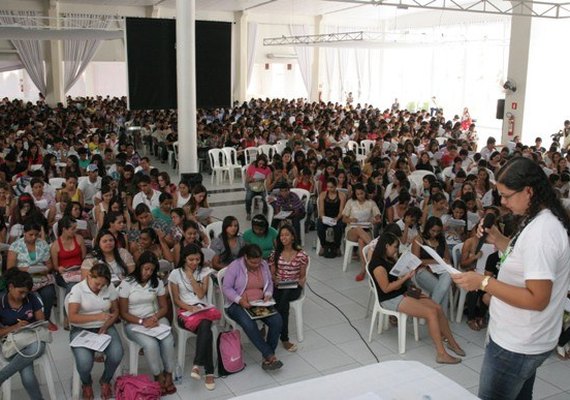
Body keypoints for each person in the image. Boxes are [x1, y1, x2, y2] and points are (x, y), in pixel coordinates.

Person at [452, 157, 570, 400]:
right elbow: (525, 261)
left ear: (529, 191)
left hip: (518, 344)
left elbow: (538, 298)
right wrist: (499, 240)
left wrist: (483, 283)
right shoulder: (537, 218)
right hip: (522, 337)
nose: (502, 203)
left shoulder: (542, 232)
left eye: (506, 195)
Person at [368, 232, 465, 364]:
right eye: (395, 247)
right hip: (390, 298)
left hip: (402, 291)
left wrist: (405, 274)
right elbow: (386, 289)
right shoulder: (377, 265)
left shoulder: (389, 258)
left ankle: (452, 343)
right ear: (386, 246)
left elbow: (396, 278)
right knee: (430, 313)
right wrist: (406, 277)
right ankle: (441, 353)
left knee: (437, 308)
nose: (396, 250)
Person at [118, 251, 177, 395]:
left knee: (168, 340)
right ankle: (158, 375)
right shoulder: (127, 283)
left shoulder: (156, 282)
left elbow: (164, 307)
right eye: (146, 269)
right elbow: (123, 313)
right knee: (150, 344)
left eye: (151, 270)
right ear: (139, 267)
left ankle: (168, 374)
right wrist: (141, 321)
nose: (148, 272)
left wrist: (155, 317)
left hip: (155, 318)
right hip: (134, 322)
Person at [221, 244, 283, 371]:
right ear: (245, 258)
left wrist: (267, 294)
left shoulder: (264, 264)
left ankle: (267, 357)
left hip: (259, 302)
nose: (257, 265)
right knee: (249, 324)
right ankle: (269, 355)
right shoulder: (235, 266)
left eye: (259, 261)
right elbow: (226, 288)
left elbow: (269, 283)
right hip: (237, 304)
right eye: (253, 262)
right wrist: (239, 300)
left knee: (277, 320)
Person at [66, 263, 123, 400]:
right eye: (97, 283)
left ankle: (105, 380)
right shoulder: (78, 289)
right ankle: (86, 383)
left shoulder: (108, 287)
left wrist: (106, 324)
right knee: (85, 362)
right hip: (81, 329)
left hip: (105, 327)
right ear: (89, 276)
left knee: (117, 354)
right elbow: (72, 317)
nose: (100, 287)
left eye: (103, 285)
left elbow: (115, 311)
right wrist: (97, 316)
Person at [168, 245, 216, 391]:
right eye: (191, 259)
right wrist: (190, 308)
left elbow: (201, 295)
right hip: (185, 312)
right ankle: (208, 372)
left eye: (197, 259)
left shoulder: (204, 272)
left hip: (203, 309)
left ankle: (197, 364)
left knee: (205, 325)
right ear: (184, 259)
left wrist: (191, 277)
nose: (194, 262)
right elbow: (176, 300)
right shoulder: (175, 274)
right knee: (206, 328)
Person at [0, 269, 48, 400]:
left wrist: (38, 322)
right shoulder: (1, 301)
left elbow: (41, 321)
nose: (23, 296)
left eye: (26, 292)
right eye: (21, 292)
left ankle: (2, 376)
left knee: (35, 348)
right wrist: (15, 327)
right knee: (27, 375)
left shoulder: (31, 297)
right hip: (13, 341)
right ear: (10, 287)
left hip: (33, 337)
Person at [7, 221, 57, 331]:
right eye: (31, 234)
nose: (34, 237)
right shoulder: (15, 246)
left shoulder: (42, 244)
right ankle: (30, 319)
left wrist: (45, 269)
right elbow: (10, 268)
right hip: (22, 279)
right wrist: (25, 269)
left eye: (36, 235)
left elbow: (49, 264)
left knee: (49, 293)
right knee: (26, 293)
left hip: (41, 277)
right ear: (24, 233)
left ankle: (45, 319)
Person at [269, 225, 308, 352]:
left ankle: (282, 335)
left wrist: (298, 283)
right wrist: (277, 280)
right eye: (281, 235)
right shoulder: (275, 254)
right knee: (282, 299)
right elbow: (273, 275)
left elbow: (302, 277)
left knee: (284, 296)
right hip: (279, 285)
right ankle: (283, 337)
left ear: (292, 237)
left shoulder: (301, 255)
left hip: (294, 286)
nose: (283, 237)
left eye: (286, 235)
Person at [411, 216, 453, 314]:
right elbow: (416, 262)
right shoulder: (419, 239)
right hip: (422, 271)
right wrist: (435, 262)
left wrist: (444, 262)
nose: (435, 234)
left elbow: (448, 259)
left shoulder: (441, 239)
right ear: (427, 228)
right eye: (433, 231)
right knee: (444, 289)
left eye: (438, 231)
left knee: (446, 279)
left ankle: (431, 313)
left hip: (439, 271)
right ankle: (441, 319)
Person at [342, 183, 381, 281]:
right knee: (359, 229)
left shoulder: (371, 202)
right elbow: (344, 219)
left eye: (362, 193)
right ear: (355, 194)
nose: (360, 196)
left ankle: (363, 270)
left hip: (366, 229)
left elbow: (378, 217)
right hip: (352, 230)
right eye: (358, 194)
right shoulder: (350, 202)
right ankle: (377, 250)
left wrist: (375, 220)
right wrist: (351, 220)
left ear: (365, 193)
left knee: (361, 240)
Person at [317, 177, 346, 256]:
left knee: (339, 227)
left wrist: (336, 219)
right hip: (326, 217)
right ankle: (323, 245)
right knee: (319, 226)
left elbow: (341, 211)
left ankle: (337, 247)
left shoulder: (341, 195)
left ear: (336, 186)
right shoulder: (323, 195)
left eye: (331, 187)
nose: (329, 189)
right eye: (328, 187)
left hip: (337, 217)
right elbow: (321, 210)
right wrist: (323, 218)